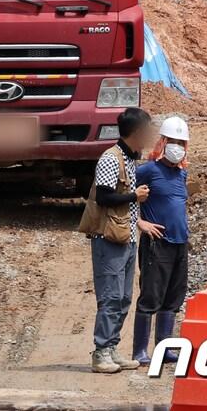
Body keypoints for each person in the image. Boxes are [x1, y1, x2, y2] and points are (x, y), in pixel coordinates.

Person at [86, 107, 158, 374]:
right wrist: (134, 197)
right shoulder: (110, 158)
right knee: (111, 296)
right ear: (136, 132)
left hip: (127, 237)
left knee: (125, 296)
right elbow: (103, 197)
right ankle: (101, 351)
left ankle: (112, 347)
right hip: (108, 238)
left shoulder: (129, 158)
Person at [132, 114, 191, 366]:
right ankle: (139, 351)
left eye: (181, 142)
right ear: (162, 141)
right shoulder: (147, 170)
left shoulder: (181, 174)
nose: (177, 146)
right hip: (157, 244)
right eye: (172, 141)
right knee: (151, 296)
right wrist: (140, 222)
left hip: (179, 243)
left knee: (173, 296)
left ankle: (164, 348)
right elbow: (123, 197)